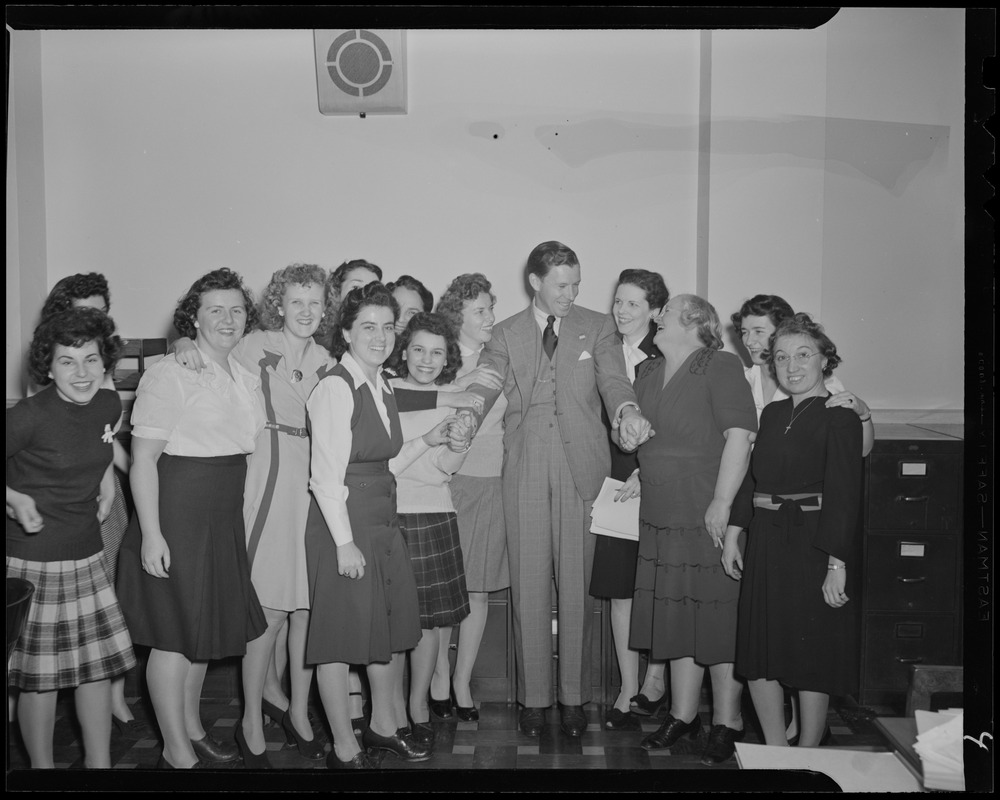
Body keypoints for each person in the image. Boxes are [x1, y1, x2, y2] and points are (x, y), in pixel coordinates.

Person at [467, 241, 653, 739]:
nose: (572, 293)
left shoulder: (598, 326)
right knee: (528, 585)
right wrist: (467, 413)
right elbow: (487, 384)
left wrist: (627, 411)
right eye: (562, 285)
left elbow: (615, 381)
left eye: (576, 283)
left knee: (575, 586)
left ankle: (571, 698)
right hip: (525, 466)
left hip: (581, 471)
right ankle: (533, 700)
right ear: (536, 282)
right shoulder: (506, 333)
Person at [173, 264, 337, 766]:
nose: (305, 311)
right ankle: (249, 718)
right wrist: (182, 343)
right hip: (268, 472)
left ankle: (298, 711)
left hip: (316, 475)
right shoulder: (252, 344)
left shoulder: (329, 358)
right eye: (296, 302)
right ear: (278, 306)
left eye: (315, 302)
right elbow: (202, 353)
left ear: (325, 308)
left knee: (309, 604)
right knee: (266, 604)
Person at [115, 268, 267, 769]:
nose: (228, 319)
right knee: (177, 637)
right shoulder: (169, 372)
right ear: (194, 318)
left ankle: (194, 728)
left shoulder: (242, 373)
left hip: (221, 515)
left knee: (203, 632)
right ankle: (176, 750)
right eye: (214, 310)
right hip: (178, 512)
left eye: (237, 309)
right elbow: (142, 462)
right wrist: (152, 535)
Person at [305, 282, 452, 768]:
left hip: (382, 523)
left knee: (384, 632)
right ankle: (344, 748)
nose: (380, 336)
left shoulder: (382, 384)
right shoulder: (334, 387)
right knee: (337, 639)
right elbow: (325, 478)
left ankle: (383, 728)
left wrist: (427, 439)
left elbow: (384, 464)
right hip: (343, 525)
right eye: (368, 326)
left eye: (388, 327)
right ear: (346, 332)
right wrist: (345, 544)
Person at [731, 293, 873, 742]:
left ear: (825, 360)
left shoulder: (840, 415)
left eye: (803, 355)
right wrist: (736, 531)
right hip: (767, 542)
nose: (792, 366)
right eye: (781, 357)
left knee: (810, 658)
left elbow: (846, 495)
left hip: (814, 544)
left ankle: (809, 750)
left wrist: (837, 563)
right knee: (759, 651)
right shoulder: (772, 413)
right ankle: (775, 750)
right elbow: (754, 479)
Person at [628, 294, 756, 765]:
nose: (656, 317)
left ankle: (727, 720)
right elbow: (652, 434)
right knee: (675, 616)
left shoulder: (719, 365)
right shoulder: (645, 372)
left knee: (717, 619)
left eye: (666, 312)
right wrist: (638, 466)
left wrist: (722, 503)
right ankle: (683, 716)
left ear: (696, 322)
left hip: (704, 510)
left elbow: (739, 436)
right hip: (660, 513)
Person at [7, 307, 136, 768]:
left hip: (87, 554)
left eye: (90, 359)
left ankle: (98, 771)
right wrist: (12, 498)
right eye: (67, 361)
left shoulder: (107, 404)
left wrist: (104, 481)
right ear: (48, 365)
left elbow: (98, 447)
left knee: (96, 672)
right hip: (35, 559)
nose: (81, 372)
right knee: (40, 680)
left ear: (105, 362)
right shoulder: (28, 416)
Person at [33, 272, 147, 739]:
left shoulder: (99, 362)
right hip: (68, 494)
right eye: (84, 308)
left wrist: (138, 478)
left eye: (101, 309)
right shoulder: (52, 369)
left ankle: (113, 692)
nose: (93, 317)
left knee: (109, 593)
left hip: (107, 488)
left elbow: (105, 436)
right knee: (72, 605)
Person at [587, 269, 670, 729]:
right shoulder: (603, 349)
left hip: (655, 479)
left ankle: (653, 683)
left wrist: (647, 467)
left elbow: (677, 423)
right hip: (613, 481)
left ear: (656, 312)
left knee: (655, 585)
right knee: (621, 588)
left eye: (633, 303)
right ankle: (626, 686)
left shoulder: (668, 356)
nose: (621, 310)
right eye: (618, 301)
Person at [387, 312, 473, 745]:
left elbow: (442, 471)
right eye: (419, 349)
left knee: (428, 626)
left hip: (434, 513)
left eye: (437, 352)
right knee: (391, 622)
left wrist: (458, 446)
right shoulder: (384, 389)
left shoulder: (456, 395)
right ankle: (392, 709)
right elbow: (384, 463)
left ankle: (418, 703)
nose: (427, 359)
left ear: (447, 357)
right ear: (404, 352)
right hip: (388, 513)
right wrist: (431, 438)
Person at [433, 273, 508, 720]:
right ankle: (438, 678)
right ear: (456, 315)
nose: (490, 318)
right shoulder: (436, 358)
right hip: (445, 483)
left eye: (490, 309)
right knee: (446, 593)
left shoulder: (500, 358)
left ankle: (461, 681)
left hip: (490, 481)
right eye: (480, 310)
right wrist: (460, 385)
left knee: (477, 591)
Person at [313, 259, 383, 354]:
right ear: (336, 291)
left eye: (372, 290)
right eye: (356, 287)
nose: (364, 294)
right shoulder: (323, 343)